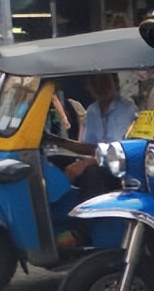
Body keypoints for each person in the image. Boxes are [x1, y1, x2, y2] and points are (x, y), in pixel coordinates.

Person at [59, 72, 140, 200]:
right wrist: (54, 140)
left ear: (115, 82)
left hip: (120, 168)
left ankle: (93, 217)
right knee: (57, 161)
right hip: (98, 161)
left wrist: (87, 163)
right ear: (89, 87)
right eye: (94, 83)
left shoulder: (129, 110)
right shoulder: (92, 110)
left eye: (104, 81)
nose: (100, 87)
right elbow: (91, 148)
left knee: (93, 173)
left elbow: (122, 151)